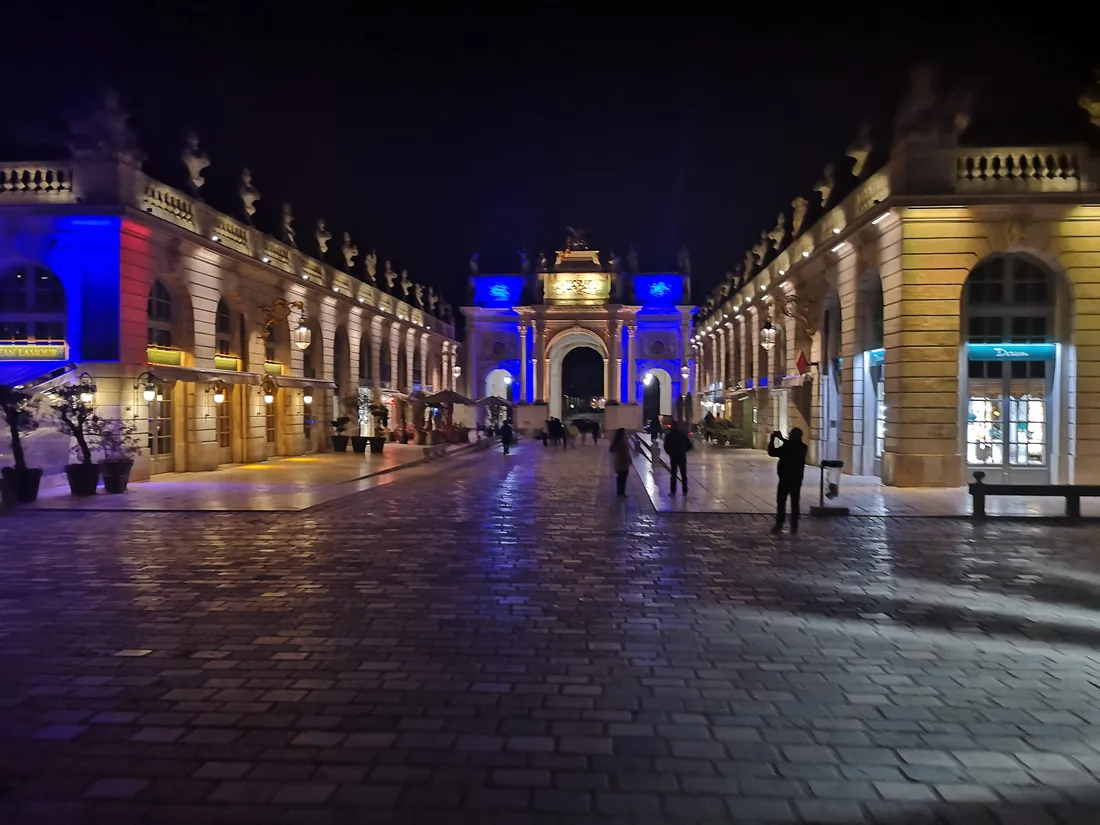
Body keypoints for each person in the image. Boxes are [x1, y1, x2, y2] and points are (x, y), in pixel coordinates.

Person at [768, 428, 808, 534]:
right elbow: (772, 452)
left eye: (791, 435)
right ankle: (780, 523)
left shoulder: (801, 447)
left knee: (793, 503)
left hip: (793, 479)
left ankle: (792, 525)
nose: (790, 436)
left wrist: (780, 439)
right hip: (785, 479)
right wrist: (773, 440)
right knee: (781, 502)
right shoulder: (791, 446)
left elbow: (790, 448)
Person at [664, 421, 693, 495]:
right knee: (683, 474)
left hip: (673, 457)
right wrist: (683, 450)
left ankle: (673, 491)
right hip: (681, 456)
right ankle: (685, 490)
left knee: (673, 474)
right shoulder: (682, 435)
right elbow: (689, 445)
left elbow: (666, 447)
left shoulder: (669, 436)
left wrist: (670, 453)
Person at [609, 427, 632, 497]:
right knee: (623, 477)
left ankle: (620, 491)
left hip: (620, 461)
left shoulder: (618, 441)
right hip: (622, 461)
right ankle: (621, 492)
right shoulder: (621, 441)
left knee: (621, 477)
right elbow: (624, 452)